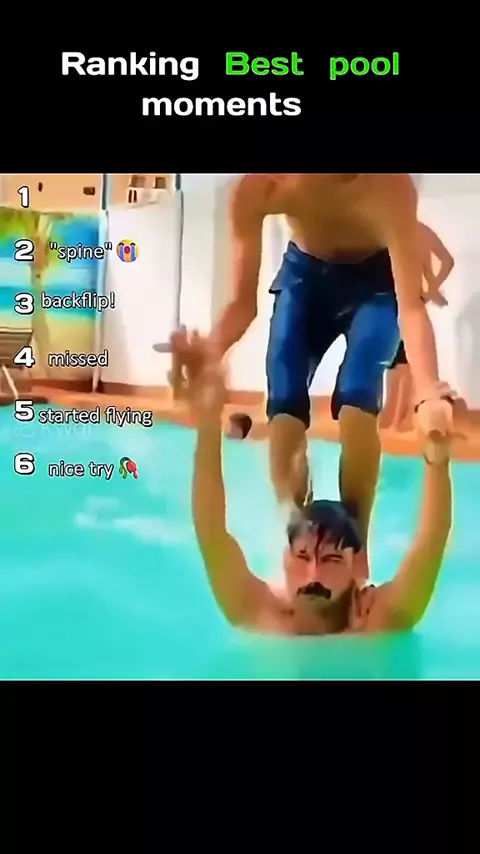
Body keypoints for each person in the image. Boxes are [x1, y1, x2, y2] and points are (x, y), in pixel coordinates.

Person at [171, 174, 457, 549]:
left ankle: (356, 549)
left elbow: (411, 309)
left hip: (377, 285)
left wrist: (428, 391)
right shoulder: (263, 186)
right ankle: (296, 546)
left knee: (357, 401)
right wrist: (211, 350)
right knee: (284, 408)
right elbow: (241, 305)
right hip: (303, 278)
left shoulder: (389, 187)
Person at [186, 340, 457, 635]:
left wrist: (437, 453)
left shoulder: (380, 621)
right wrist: (208, 424)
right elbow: (210, 532)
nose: (313, 575)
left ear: (356, 566)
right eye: (303, 556)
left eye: (331, 559)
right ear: (286, 559)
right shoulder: (261, 614)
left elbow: (431, 540)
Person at [381, 223, 455, 432]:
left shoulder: (394, 232)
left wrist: (431, 289)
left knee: (400, 364)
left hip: (398, 305)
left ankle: (398, 417)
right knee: (400, 364)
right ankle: (396, 415)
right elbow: (442, 263)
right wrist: (431, 289)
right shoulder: (420, 231)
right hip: (409, 305)